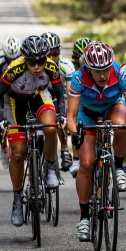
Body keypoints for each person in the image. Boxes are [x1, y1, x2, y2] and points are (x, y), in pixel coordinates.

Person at [66, 41, 126, 241]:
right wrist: (75, 133)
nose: (102, 75)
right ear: (88, 68)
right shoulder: (78, 78)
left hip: (113, 106)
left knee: (121, 124)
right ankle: (84, 216)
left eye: (106, 70)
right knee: (86, 163)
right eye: (97, 71)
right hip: (87, 113)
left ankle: (118, 168)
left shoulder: (121, 74)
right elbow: (71, 117)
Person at [0, 35, 66, 227]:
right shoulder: (14, 69)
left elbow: (60, 95)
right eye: (32, 62)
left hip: (38, 96)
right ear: (25, 59)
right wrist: (0, 119)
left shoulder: (51, 67)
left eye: (41, 61)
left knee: (50, 128)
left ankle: (50, 168)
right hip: (14, 101)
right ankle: (17, 199)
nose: (37, 67)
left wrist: (62, 115)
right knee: (18, 153)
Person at [41, 31, 76, 172]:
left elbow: (70, 94)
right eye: (47, 54)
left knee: (60, 117)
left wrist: (67, 114)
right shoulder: (36, 65)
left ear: (59, 53)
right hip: (41, 95)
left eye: (54, 54)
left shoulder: (66, 65)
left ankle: (65, 150)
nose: (51, 57)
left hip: (59, 95)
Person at [0, 36, 21, 168]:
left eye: (15, 58)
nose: (12, 62)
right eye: (10, 59)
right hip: (3, 94)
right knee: (0, 123)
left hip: (20, 94)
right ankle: (3, 148)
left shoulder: (24, 59)